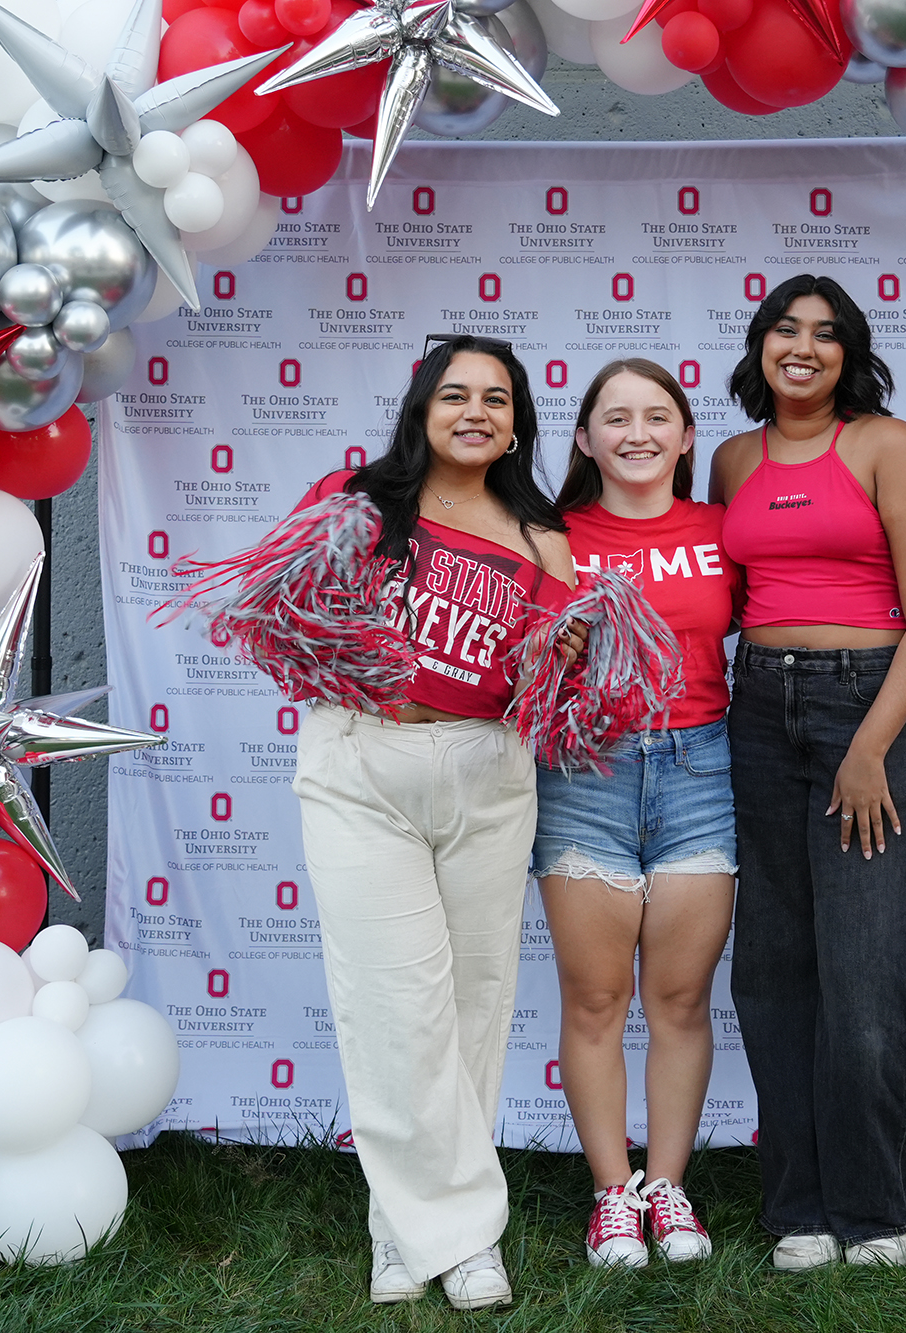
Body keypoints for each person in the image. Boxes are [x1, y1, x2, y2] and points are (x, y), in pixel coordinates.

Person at [290, 335, 579, 1310]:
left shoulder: (543, 540)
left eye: (496, 400)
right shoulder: (363, 501)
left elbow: (546, 688)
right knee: (390, 1004)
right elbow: (287, 614)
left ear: (514, 425)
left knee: (472, 1005)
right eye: (454, 394)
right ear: (420, 408)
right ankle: (455, 1238)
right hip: (360, 763)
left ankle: (406, 1232)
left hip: (486, 771)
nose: (474, 412)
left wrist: (566, 653)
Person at [710, 274, 906, 1270]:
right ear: (759, 347)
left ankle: (876, 1204)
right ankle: (799, 1206)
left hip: (870, 708)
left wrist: (867, 748)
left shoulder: (885, 446)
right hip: (759, 708)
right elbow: (717, 599)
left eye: (823, 334)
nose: (800, 347)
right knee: (773, 971)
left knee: (868, 975)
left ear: (849, 355)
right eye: (783, 329)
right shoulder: (730, 459)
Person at [536, 359, 740, 1269]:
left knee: (680, 997)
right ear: (584, 438)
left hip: (702, 763)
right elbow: (526, 667)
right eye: (614, 417)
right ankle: (611, 1195)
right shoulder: (552, 536)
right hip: (587, 772)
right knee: (595, 997)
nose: (637, 433)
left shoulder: (721, 529)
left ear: (686, 436)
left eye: (658, 416)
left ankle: (670, 1187)